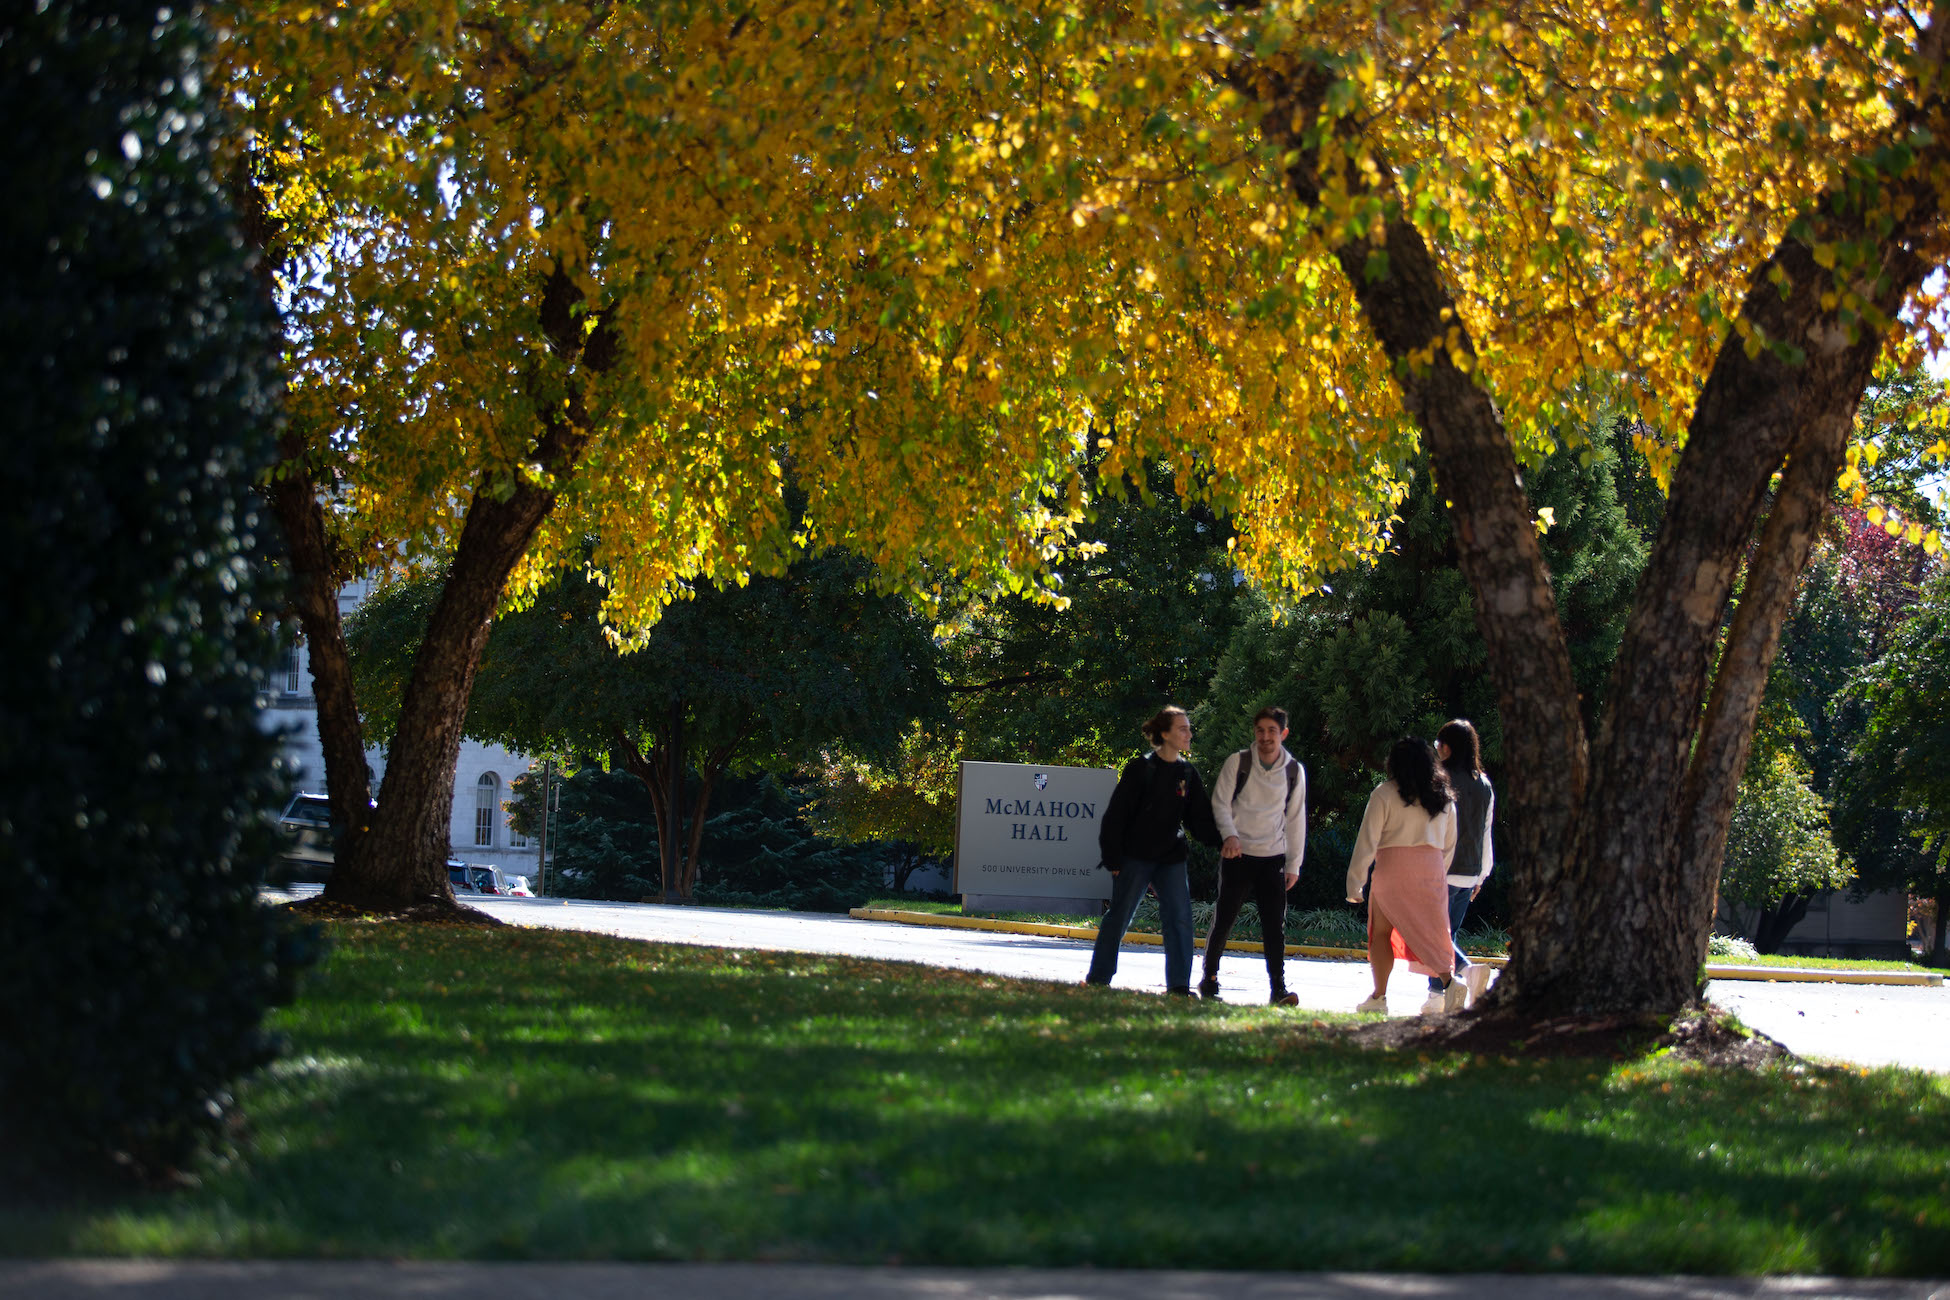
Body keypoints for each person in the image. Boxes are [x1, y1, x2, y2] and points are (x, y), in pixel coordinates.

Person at [1086, 706, 1223, 995]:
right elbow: (1116, 815)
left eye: (1188, 728)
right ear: (1165, 734)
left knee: (1180, 918)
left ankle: (1178, 987)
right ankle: (1098, 978)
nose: (1189, 733)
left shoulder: (1187, 772)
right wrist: (1112, 857)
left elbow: (1200, 820)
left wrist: (1225, 842)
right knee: (1120, 915)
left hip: (1171, 857)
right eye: (1182, 729)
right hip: (1135, 855)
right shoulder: (1141, 769)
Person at [1345, 738, 1462, 1015]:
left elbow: (1367, 841)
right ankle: (1450, 982)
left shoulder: (1384, 793)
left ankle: (1379, 997)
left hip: (1393, 870)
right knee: (1434, 934)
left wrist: (1355, 881)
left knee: (1381, 934)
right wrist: (1437, 873)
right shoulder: (1444, 797)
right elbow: (1450, 843)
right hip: (1432, 869)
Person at [1199, 706, 1306, 1005]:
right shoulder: (1239, 762)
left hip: (1273, 857)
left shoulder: (1294, 771)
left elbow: (1296, 820)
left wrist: (1294, 864)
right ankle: (1209, 978)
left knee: (1275, 926)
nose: (1265, 737)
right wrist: (1230, 834)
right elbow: (1220, 802)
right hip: (1238, 855)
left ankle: (1278, 989)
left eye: (1272, 731)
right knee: (1225, 917)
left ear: (1283, 734)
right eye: (1260, 730)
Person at [1423, 719, 1496, 1013]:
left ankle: (1462, 974)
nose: (1436, 748)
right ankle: (1438, 997)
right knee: (1446, 934)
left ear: (1449, 747)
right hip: (1469, 871)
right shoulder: (1485, 785)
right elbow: (1485, 831)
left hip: (1441, 869)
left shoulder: (1439, 780)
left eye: (1439, 743)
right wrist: (1482, 874)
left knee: (1433, 935)